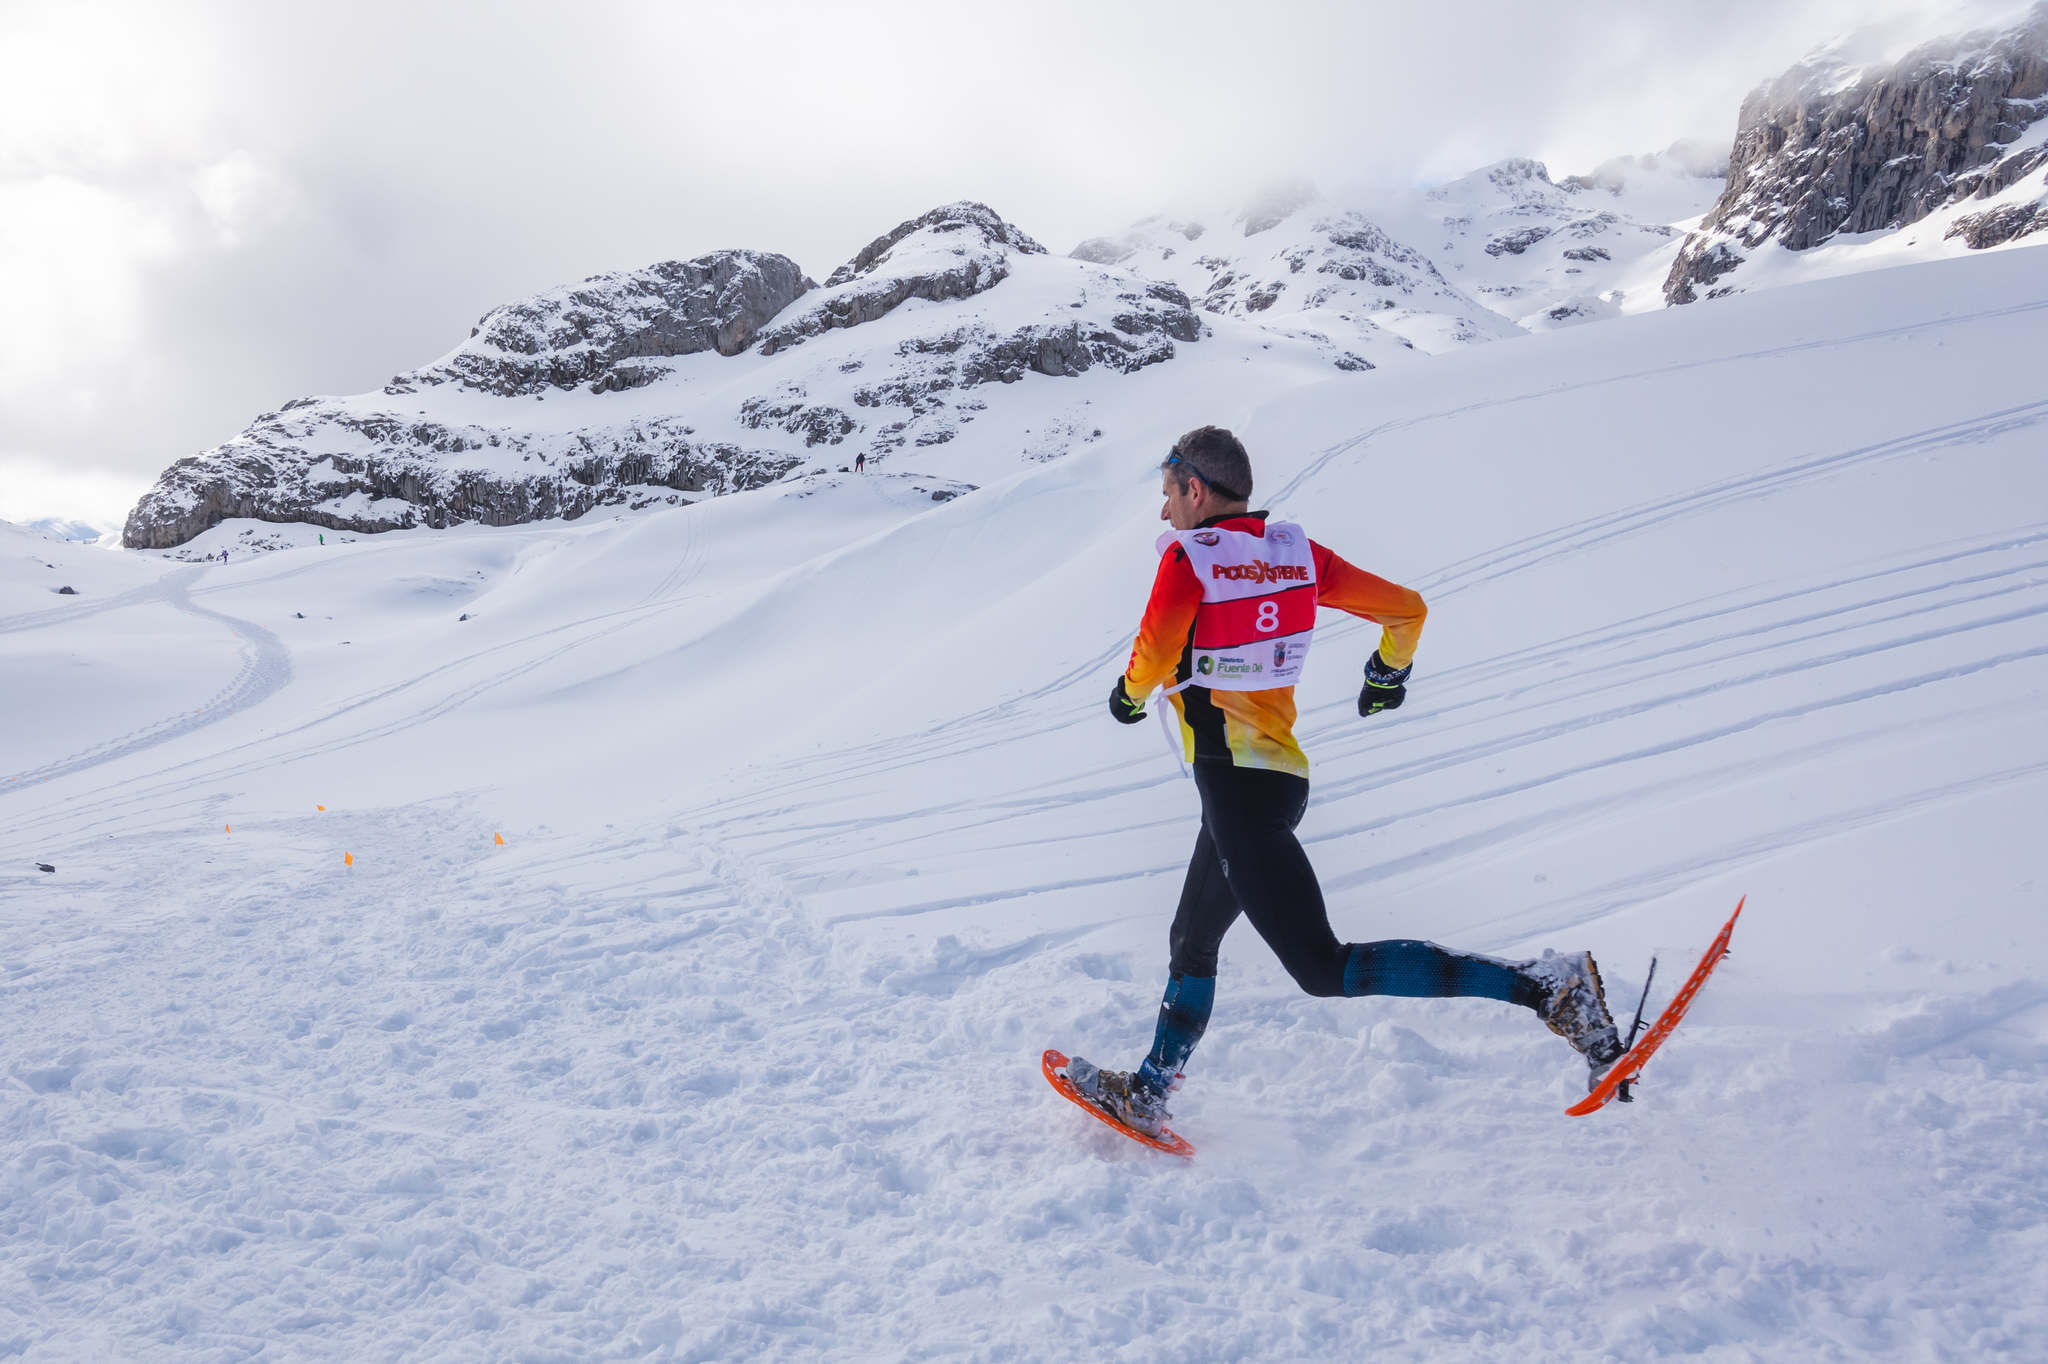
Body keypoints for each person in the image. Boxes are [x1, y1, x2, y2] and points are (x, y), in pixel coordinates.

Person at [1063, 426, 1623, 1136]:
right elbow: (1406, 608)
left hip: (1239, 788)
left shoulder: (1189, 560)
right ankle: (1149, 1092)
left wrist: (1129, 696)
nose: (1164, 512)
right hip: (1274, 783)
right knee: (1191, 940)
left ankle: (1547, 989)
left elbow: (1155, 649)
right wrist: (1388, 671)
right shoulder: (1297, 555)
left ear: (1195, 490)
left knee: (1321, 967)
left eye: (1168, 495)